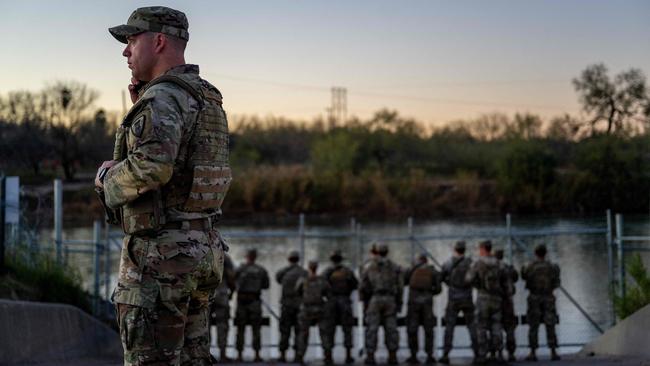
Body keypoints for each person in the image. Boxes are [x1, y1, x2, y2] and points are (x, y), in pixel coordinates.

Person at [98, 6, 231, 365]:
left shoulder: (163, 98)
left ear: (158, 41)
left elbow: (152, 169)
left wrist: (106, 178)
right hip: (201, 249)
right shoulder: (206, 96)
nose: (125, 51)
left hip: (161, 259)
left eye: (131, 40)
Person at [465, 240, 512, 365]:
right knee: (497, 326)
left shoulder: (477, 263)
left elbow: (468, 280)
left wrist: (478, 286)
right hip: (497, 299)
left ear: (482, 249)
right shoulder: (500, 264)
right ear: (490, 249)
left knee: (481, 326)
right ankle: (500, 354)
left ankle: (482, 354)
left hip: (482, 298)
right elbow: (508, 285)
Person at [359, 244, 402, 365]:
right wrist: (399, 302)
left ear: (376, 252)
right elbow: (400, 286)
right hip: (390, 299)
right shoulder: (395, 267)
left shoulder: (369, 267)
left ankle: (371, 356)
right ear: (387, 252)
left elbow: (362, 286)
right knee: (391, 328)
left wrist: (365, 303)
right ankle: (392, 356)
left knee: (372, 328)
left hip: (375, 299)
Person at [439, 241, 477, 364]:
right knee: (472, 325)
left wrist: (449, 283)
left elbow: (441, 277)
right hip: (467, 297)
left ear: (455, 249)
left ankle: (445, 353)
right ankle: (478, 352)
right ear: (464, 250)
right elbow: (475, 278)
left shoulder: (449, 263)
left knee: (449, 327)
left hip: (453, 298)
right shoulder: (470, 263)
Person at [521, 244, 561, 362]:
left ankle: (533, 352)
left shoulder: (529, 266)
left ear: (535, 253)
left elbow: (523, 276)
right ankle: (553, 351)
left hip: (534, 297)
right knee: (551, 324)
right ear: (546, 252)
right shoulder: (553, 267)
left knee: (533, 325)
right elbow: (557, 282)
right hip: (549, 297)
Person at [322, 249, 359, 364]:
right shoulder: (347, 271)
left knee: (329, 329)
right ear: (341, 259)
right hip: (344, 300)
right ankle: (348, 355)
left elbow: (321, 286)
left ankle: (328, 355)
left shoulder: (326, 271)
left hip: (331, 301)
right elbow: (355, 284)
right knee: (347, 328)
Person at [404, 254, 442, 364]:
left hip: (413, 303)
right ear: (426, 261)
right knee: (428, 329)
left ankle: (413, 355)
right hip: (427, 304)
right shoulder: (433, 271)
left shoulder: (411, 270)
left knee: (412, 329)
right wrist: (430, 293)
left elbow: (403, 281)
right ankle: (429, 355)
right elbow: (439, 289)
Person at [235, 249, 270, 362]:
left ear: (246, 256)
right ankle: (257, 354)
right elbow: (266, 285)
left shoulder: (240, 269)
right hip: (255, 301)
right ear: (255, 257)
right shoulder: (261, 270)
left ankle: (239, 355)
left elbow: (232, 282)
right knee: (256, 328)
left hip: (242, 302)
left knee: (241, 328)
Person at [295, 260, 331, 364]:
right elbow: (328, 295)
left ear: (309, 267)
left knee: (303, 333)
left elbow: (297, 291)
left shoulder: (303, 280)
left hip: (306, 309)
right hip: (320, 309)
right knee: (324, 333)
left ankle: (300, 355)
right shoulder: (322, 280)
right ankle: (328, 355)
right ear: (317, 267)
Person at [275, 251, 308, 362]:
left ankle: (283, 355)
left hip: (286, 305)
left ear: (289, 259)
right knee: (299, 331)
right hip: (299, 306)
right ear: (298, 259)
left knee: (285, 330)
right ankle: (298, 355)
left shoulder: (284, 272)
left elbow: (277, 278)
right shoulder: (303, 272)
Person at [494, 249, 519, 362]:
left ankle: (498, 352)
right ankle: (511, 353)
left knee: (496, 327)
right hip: (508, 301)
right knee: (509, 328)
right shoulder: (508, 268)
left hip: (496, 301)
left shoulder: (492, 269)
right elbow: (516, 277)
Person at [211, 254, 236, 362]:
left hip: (204, 295)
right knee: (222, 324)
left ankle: (204, 354)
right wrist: (232, 291)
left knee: (203, 325)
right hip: (221, 294)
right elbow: (231, 277)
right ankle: (222, 354)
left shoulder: (202, 251)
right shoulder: (224, 257)